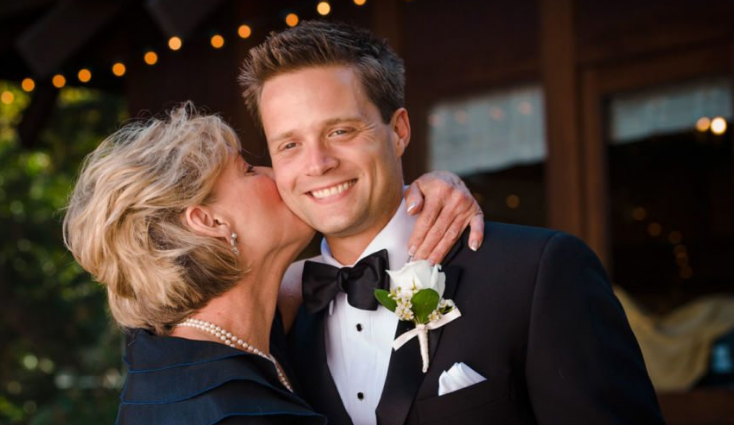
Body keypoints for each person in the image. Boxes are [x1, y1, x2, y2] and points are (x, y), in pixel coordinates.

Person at [238, 21, 665, 425]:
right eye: (290, 144)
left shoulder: (538, 271)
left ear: (399, 130)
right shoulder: (274, 317)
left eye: (340, 132)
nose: (317, 164)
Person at [63, 104, 483, 424]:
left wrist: (426, 195)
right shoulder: (233, 413)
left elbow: (344, 267)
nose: (275, 174)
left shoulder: (167, 350)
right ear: (209, 221)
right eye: (247, 170)